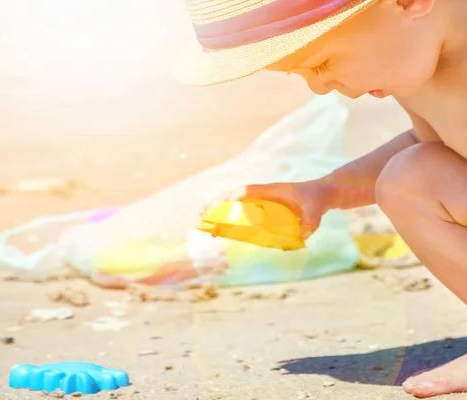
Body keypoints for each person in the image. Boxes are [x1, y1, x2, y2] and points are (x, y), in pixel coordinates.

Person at [175, 0, 467, 398]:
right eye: (301, 74)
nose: (320, 87)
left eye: (322, 64)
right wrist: (326, 190)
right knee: (412, 178)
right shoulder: (418, 64)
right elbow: (440, 146)